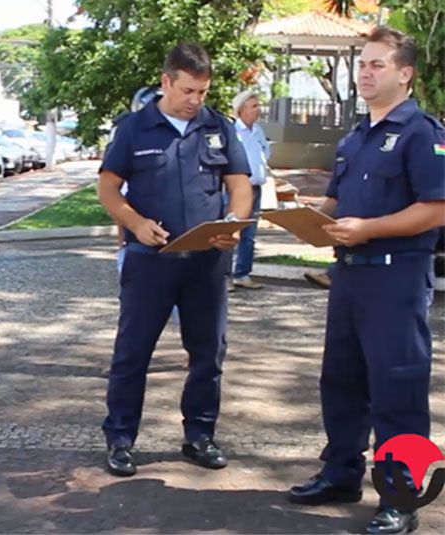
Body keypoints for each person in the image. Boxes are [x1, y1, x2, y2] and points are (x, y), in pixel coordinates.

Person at [287, 26, 445, 535]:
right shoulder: (355, 137)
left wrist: (369, 229)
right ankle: (340, 474)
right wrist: (307, 218)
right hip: (349, 277)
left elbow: (435, 209)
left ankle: (401, 498)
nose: (366, 72)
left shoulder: (423, 132)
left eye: (377, 64)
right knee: (342, 383)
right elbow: (337, 204)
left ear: (405, 73)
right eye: (362, 64)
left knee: (397, 388)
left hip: (396, 279)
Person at [97, 43, 252, 477]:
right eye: (188, 90)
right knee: (132, 354)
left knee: (207, 353)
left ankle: (200, 435)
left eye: (202, 92)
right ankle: (121, 439)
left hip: (206, 261)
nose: (195, 101)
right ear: (166, 81)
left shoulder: (218, 127)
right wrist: (134, 221)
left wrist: (234, 223)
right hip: (150, 260)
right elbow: (108, 188)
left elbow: (240, 185)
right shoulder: (134, 128)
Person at [230, 89, 270, 290]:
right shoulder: (232, 132)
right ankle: (224, 276)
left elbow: (265, 153)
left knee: (249, 235)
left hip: (256, 189)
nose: (258, 110)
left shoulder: (259, 131)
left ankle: (242, 274)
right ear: (241, 110)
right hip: (237, 189)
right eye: (254, 106)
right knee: (230, 231)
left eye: (258, 105)